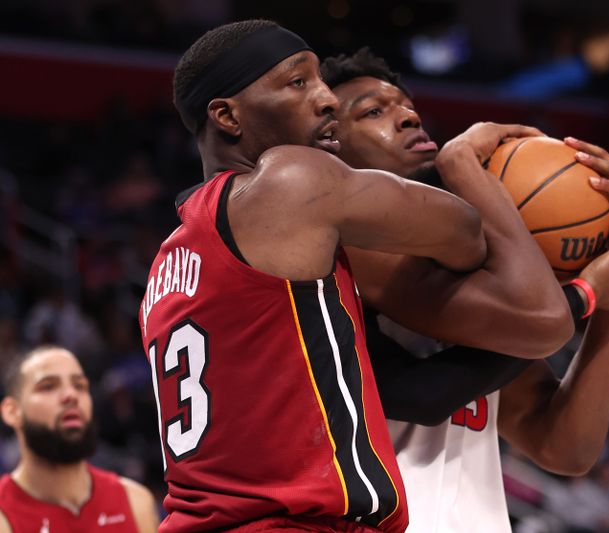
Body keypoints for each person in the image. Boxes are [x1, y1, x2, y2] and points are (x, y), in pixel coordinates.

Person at [140, 19, 569, 533]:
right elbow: (466, 230)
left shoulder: (166, 266)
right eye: (298, 82)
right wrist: (461, 162)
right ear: (227, 115)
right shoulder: (290, 180)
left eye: (320, 80)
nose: (325, 101)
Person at [321, 48, 609, 532]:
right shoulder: (337, 264)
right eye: (373, 111)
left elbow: (565, 447)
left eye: (404, 104)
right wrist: (593, 289)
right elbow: (428, 393)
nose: (406, 116)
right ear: (328, 149)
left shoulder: (475, 283)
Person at [0, 345, 159, 533]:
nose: (71, 395)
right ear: (12, 411)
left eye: (80, 386)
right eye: (48, 386)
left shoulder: (136, 501)